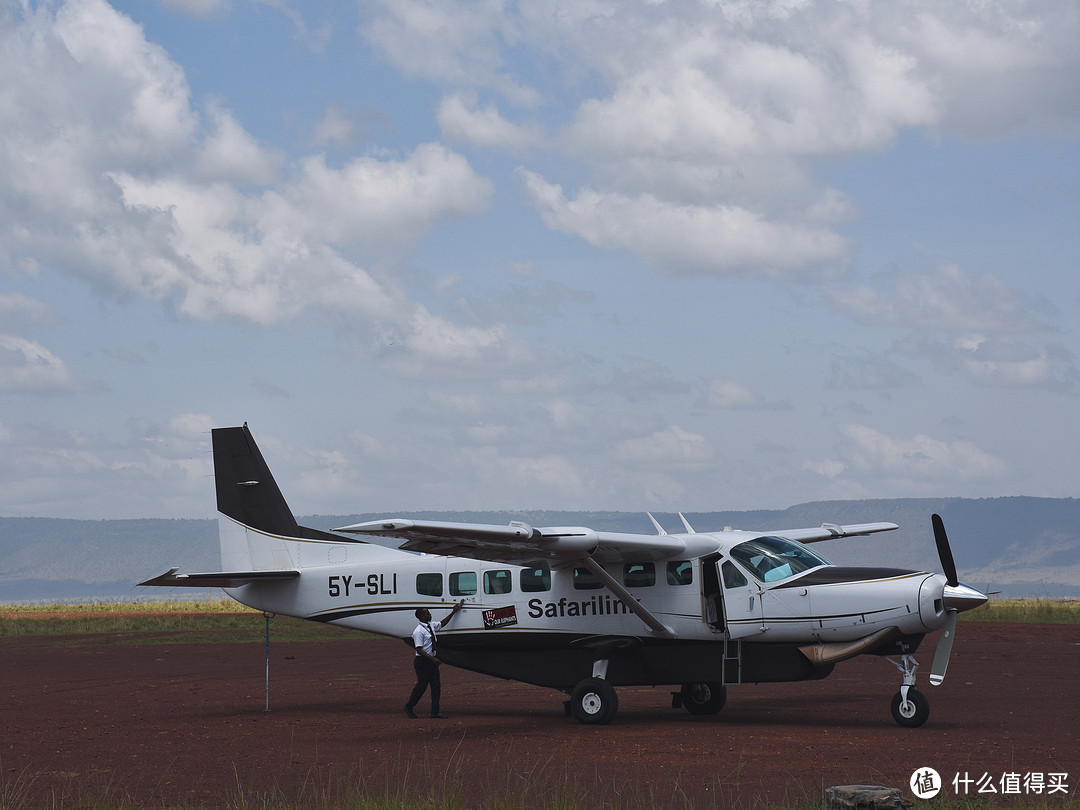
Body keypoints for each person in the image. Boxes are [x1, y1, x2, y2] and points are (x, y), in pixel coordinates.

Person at [405, 600, 463, 719]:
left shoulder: (431, 625)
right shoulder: (418, 632)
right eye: (427, 613)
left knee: (436, 686)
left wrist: (453, 612)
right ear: (421, 616)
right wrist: (433, 659)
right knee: (421, 686)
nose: (430, 615)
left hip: (431, 662)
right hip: (423, 662)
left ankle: (435, 711)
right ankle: (409, 707)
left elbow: (442, 623)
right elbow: (419, 649)